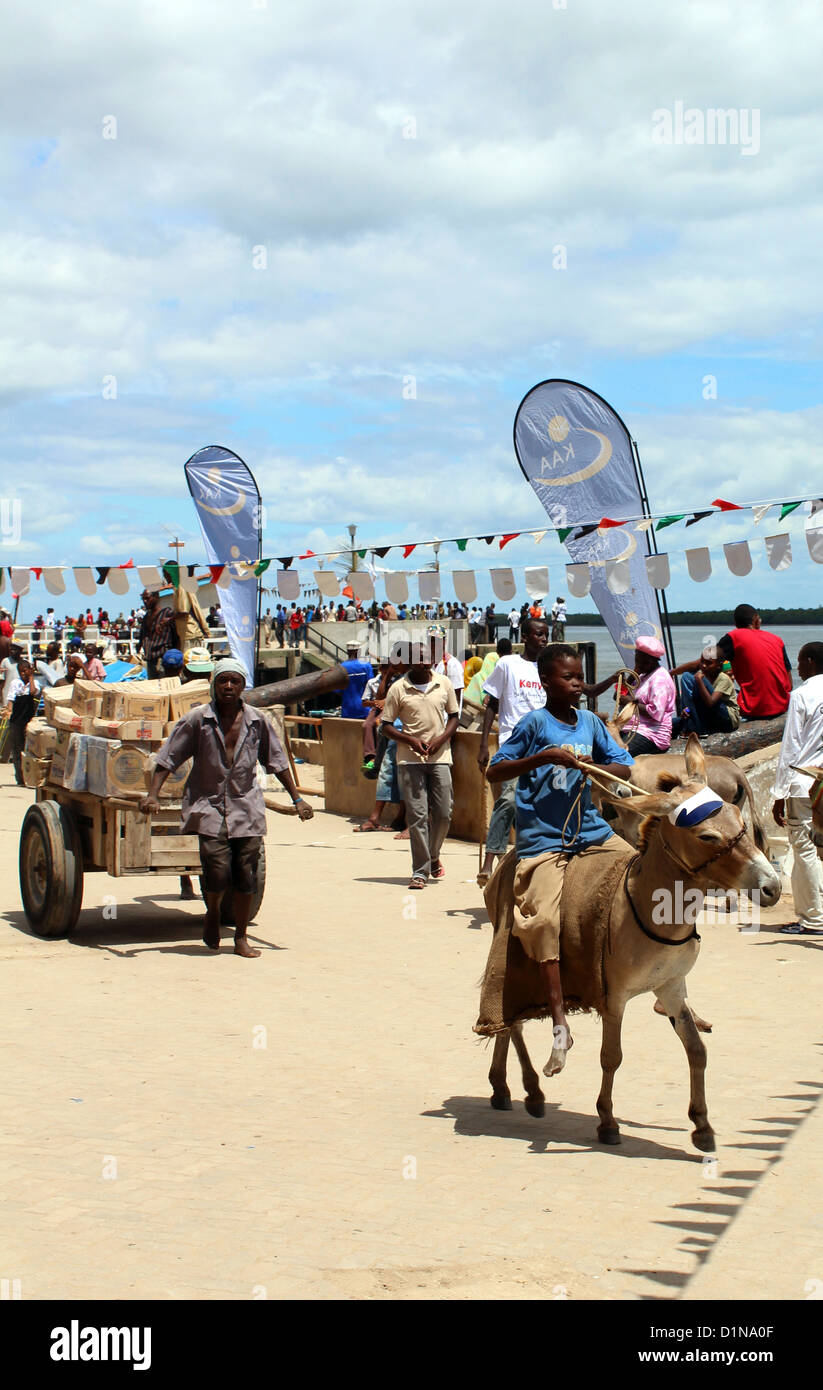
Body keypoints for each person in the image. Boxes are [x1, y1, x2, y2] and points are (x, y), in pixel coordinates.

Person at [486, 643, 633, 1077]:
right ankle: (559, 1024)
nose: (578, 685)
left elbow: (624, 764)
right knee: (544, 922)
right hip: (544, 839)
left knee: (641, 872)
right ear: (546, 682)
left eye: (581, 677)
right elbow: (495, 770)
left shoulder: (590, 721)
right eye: (569, 679)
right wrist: (544, 757)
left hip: (592, 831)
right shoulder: (534, 723)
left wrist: (596, 766)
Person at [141, 658, 314, 956]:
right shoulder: (197, 719)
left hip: (246, 807)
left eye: (235, 681)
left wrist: (297, 799)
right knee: (217, 871)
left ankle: (241, 937)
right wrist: (152, 794)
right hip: (207, 806)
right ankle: (213, 913)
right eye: (223, 681)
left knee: (246, 875)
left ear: (243, 685)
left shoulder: (258, 721)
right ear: (214, 685)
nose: (229, 686)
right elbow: (168, 758)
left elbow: (277, 762)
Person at [381, 640, 459, 888]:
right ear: (410, 661)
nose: (423, 662)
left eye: (427, 657)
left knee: (444, 812)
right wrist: (409, 740)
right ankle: (420, 870)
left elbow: (455, 717)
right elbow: (386, 726)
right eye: (418, 658)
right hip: (410, 759)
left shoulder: (443, 683)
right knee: (417, 815)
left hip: (440, 757)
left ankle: (433, 855)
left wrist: (441, 739)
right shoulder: (398, 688)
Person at [477, 617, 550, 885]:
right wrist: (484, 744)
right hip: (512, 744)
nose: (543, 639)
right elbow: (491, 704)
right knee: (508, 799)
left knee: (535, 810)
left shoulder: (549, 669)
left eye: (546, 635)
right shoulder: (507, 664)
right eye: (538, 634)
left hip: (544, 747)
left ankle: (528, 862)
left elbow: (578, 692)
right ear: (526, 636)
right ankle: (490, 859)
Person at [772, 642, 823, 936]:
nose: (798, 668)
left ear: (811, 661)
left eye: (801, 662)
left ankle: (814, 919)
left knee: (805, 850)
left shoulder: (802, 695)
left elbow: (790, 747)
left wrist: (779, 794)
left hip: (805, 783)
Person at [586, 636, 676, 754]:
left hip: (651, 733)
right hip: (630, 728)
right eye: (637, 661)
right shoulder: (642, 675)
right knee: (596, 746)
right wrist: (634, 672)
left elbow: (655, 713)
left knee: (617, 754)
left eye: (644, 663)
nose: (639, 665)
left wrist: (630, 702)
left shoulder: (660, 679)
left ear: (653, 661)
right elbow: (617, 696)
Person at [706, 604, 791, 720]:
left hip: (752, 710)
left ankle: (692, 725)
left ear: (736, 624)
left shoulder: (734, 636)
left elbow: (706, 662)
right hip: (782, 706)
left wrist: (675, 671)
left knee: (688, 678)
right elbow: (789, 684)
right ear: (756, 620)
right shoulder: (777, 640)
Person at [675, 646, 740, 737]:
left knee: (687, 676)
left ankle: (694, 729)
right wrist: (687, 709)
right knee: (674, 723)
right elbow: (697, 702)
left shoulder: (723, 678)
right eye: (702, 662)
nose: (704, 665)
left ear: (719, 666)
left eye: (709, 663)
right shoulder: (704, 676)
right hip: (712, 716)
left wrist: (699, 681)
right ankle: (691, 726)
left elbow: (711, 702)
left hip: (728, 719)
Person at [2, 658, 39, 785]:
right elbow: (11, 700)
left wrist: (31, 678)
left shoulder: (34, 683)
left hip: (29, 720)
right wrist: (9, 711)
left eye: (26, 671)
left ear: (29, 670)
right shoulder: (15, 683)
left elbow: (33, 692)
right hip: (16, 721)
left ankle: (30, 776)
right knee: (17, 749)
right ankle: (20, 778)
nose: (23, 673)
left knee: (28, 749)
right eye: (21, 672)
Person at [136, 589, 177, 679]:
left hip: (164, 658)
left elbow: (176, 635)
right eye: (143, 599)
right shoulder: (147, 617)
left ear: (156, 597)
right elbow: (143, 635)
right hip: (150, 659)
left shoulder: (167, 613)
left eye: (147, 598)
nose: (145, 602)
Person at [340, 640, 374, 720]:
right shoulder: (366, 666)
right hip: (364, 709)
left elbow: (338, 690)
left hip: (347, 710)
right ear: (358, 652)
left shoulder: (340, 668)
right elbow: (372, 686)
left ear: (347, 651)